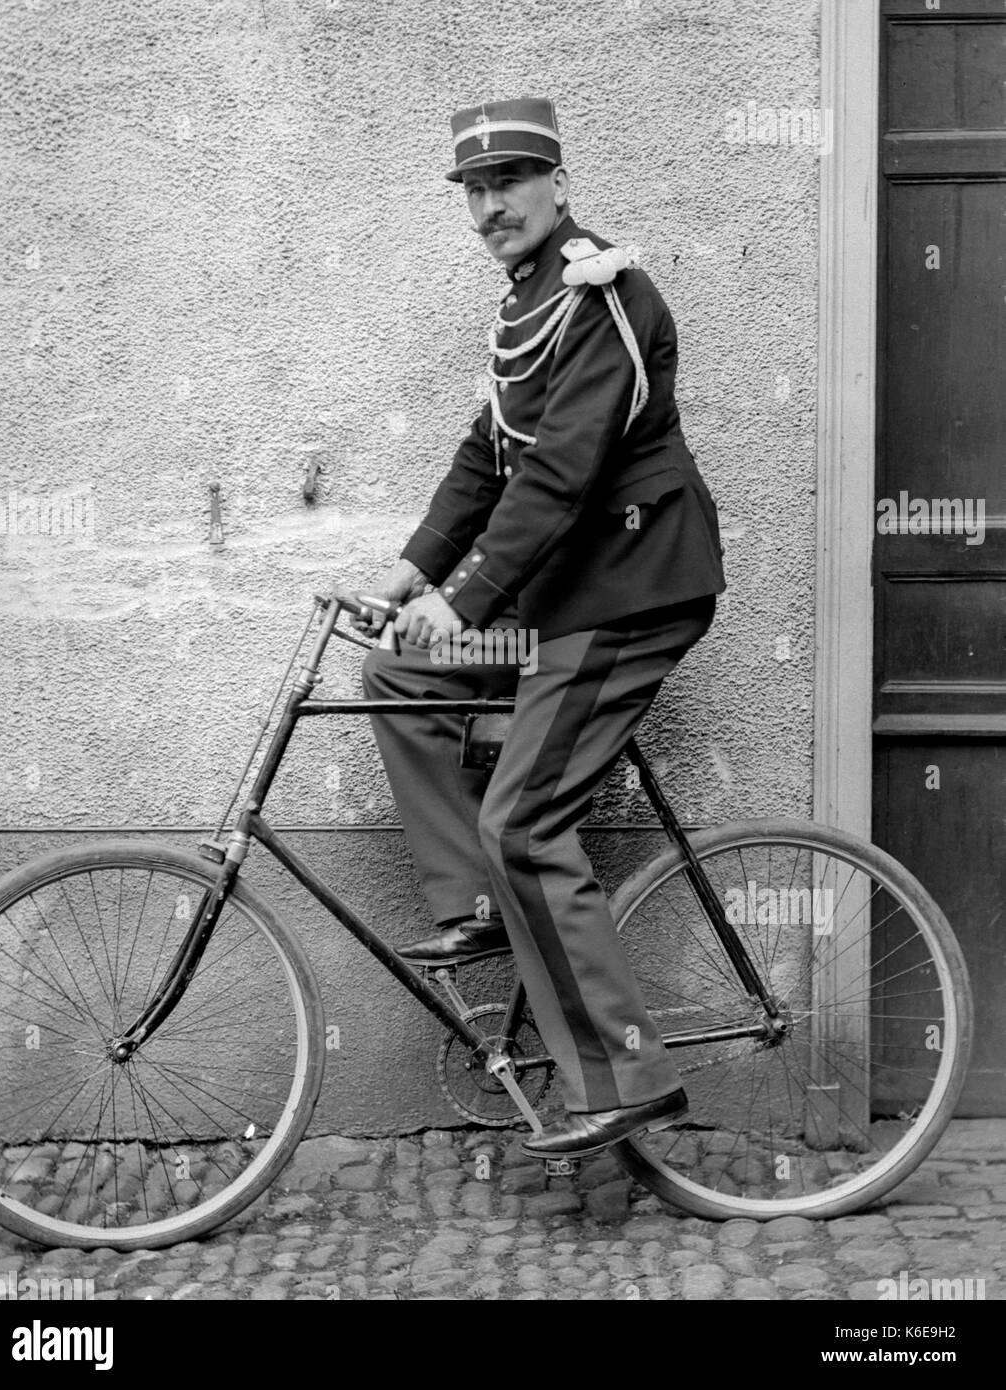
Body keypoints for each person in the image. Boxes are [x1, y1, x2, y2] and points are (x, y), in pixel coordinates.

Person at [361, 97, 726, 1159]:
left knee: (523, 819)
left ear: (558, 185)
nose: (488, 208)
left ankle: (623, 1077)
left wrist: (465, 594)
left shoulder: (603, 290)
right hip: (565, 601)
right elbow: (491, 454)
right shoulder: (526, 305)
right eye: (474, 191)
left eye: (508, 183)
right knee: (402, 672)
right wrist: (411, 571)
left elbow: (564, 469)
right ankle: (476, 901)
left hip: (628, 589)